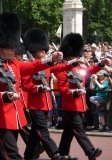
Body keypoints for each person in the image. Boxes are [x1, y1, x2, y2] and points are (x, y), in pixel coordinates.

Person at [0, 12, 62, 160]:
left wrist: (51, 59)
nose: (14, 50)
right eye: (10, 48)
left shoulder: (15, 64)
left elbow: (33, 66)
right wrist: (5, 96)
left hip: (15, 117)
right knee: (11, 154)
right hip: (1, 118)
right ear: (1, 49)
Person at [22, 28, 80, 160]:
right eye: (41, 49)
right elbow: (26, 85)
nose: (44, 51)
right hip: (35, 104)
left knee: (35, 135)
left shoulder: (46, 65)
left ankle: (28, 156)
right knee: (43, 130)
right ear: (34, 50)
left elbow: (59, 67)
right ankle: (55, 154)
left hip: (45, 103)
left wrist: (72, 62)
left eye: (44, 49)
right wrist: (39, 89)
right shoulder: (29, 65)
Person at [56, 33, 110, 160]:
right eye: (74, 56)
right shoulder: (62, 69)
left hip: (79, 104)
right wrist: (74, 93)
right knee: (79, 128)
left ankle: (62, 154)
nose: (76, 57)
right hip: (70, 104)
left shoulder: (79, 67)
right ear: (68, 56)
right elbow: (63, 89)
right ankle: (90, 151)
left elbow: (90, 71)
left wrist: (101, 64)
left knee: (69, 131)